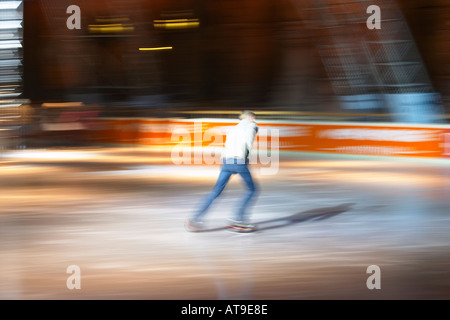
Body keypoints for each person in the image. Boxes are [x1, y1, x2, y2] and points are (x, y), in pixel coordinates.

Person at [185, 110, 259, 233]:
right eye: (253, 118)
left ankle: (194, 219)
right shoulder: (251, 126)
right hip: (239, 161)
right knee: (252, 190)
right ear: (250, 117)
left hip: (226, 162)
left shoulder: (233, 129)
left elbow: (227, 145)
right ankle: (238, 220)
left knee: (216, 192)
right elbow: (248, 142)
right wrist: (244, 160)